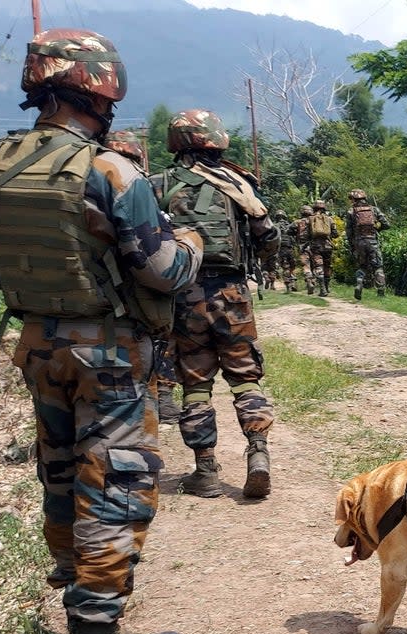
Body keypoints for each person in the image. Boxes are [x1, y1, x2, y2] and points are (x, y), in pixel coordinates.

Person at [0, 28, 202, 634]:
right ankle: (97, 633)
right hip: (108, 349)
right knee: (116, 473)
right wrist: (190, 244)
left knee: (63, 466)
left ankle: (73, 575)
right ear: (101, 88)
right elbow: (163, 271)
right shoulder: (108, 170)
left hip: (39, 342)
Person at [154, 109, 279, 499]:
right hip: (234, 294)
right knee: (245, 376)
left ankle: (205, 470)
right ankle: (258, 452)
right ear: (218, 139)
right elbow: (269, 239)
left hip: (183, 296)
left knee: (195, 383)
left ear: (177, 142)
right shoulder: (238, 183)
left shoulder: (158, 185)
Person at [103, 129, 184, 425]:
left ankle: (153, 400)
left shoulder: (88, 182)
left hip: (102, 296)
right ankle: (157, 399)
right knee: (159, 339)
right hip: (141, 286)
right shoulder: (139, 187)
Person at [346, 189, 390, 300]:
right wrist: (376, 228)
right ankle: (381, 292)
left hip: (359, 242)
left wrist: (352, 245)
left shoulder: (351, 211)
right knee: (378, 266)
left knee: (362, 266)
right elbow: (386, 224)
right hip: (372, 241)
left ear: (354, 200)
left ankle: (359, 283)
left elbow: (349, 231)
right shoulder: (374, 209)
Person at [305, 199, 337, 297]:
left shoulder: (309, 219)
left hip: (316, 247)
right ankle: (327, 287)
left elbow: (306, 234)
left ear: (314, 208)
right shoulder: (329, 219)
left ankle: (322, 289)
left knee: (319, 266)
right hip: (327, 246)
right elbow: (335, 234)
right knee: (327, 266)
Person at [294, 205, 316, 295]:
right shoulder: (315, 220)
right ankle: (314, 282)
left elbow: (288, 231)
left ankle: (309, 281)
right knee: (315, 264)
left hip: (303, 246)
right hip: (315, 246)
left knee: (306, 265)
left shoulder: (297, 222)